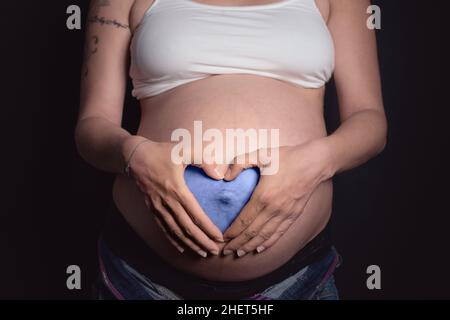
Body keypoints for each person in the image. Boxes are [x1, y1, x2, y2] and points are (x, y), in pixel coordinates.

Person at [75, 0, 387, 300]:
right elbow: (92, 125)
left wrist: (314, 164)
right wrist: (136, 156)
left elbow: (369, 121)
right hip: (143, 278)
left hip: (296, 280)